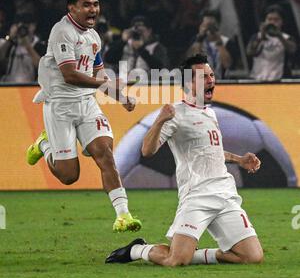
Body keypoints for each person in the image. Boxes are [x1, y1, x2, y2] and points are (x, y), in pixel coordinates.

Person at [106, 53, 264, 265]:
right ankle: (137, 250)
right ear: (189, 84)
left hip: (225, 194)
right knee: (176, 261)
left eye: (211, 75)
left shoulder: (210, 113)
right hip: (197, 195)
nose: (211, 80)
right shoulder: (176, 113)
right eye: (204, 77)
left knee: (252, 257)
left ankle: (194, 255)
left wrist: (239, 160)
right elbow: (147, 150)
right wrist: (160, 121)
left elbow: (210, 152)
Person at [26, 0, 141, 233]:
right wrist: (107, 81)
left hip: (86, 104)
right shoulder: (62, 32)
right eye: (86, 4)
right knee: (69, 176)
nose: (93, 9)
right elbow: (70, 75)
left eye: (96, 4)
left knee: (106, 154)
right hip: (60, 107)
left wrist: (120, 96)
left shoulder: (93, 37)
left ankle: (123, 215)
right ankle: (43, 144)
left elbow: (98, 75)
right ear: (72, 7)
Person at [247, 4, 297, 81]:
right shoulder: (257, 36)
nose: (272, 22)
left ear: (282, 21)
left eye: (276, 20)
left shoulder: (287, 38)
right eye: (269, 19)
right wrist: (261, 37)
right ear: (264, 21)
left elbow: (292, 50)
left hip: (279, 80)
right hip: (257, 79)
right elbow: (250, 52)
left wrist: (279, 36)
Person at [185, 10, 233, 79]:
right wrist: (200, 38)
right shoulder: (196, 41)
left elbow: (227, 64)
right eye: (206, 25)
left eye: (212, 26)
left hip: (222, 83)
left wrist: (218, 41)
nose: (209, 29)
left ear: (218, 25)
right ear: (201, 25)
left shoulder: (227, 42)